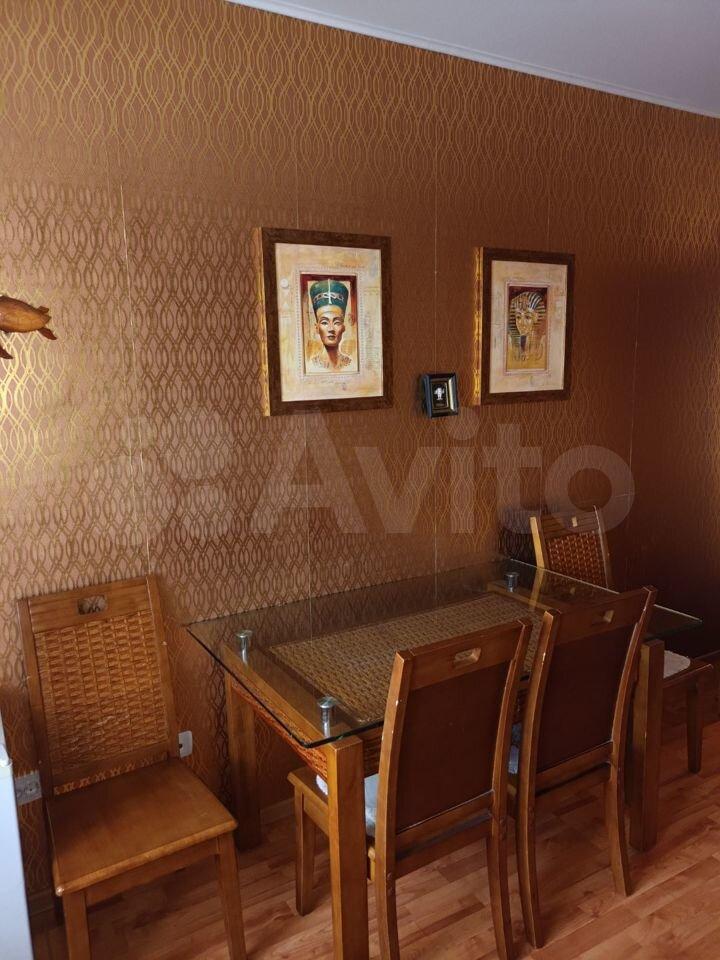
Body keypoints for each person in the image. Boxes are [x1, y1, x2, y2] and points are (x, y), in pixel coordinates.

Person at [308, 278, 354, 371]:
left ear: (343, 327)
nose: (331, 329)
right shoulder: (311, 367)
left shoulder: (351, 365)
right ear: (317, 328)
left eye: (337, 322)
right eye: (324, 322)